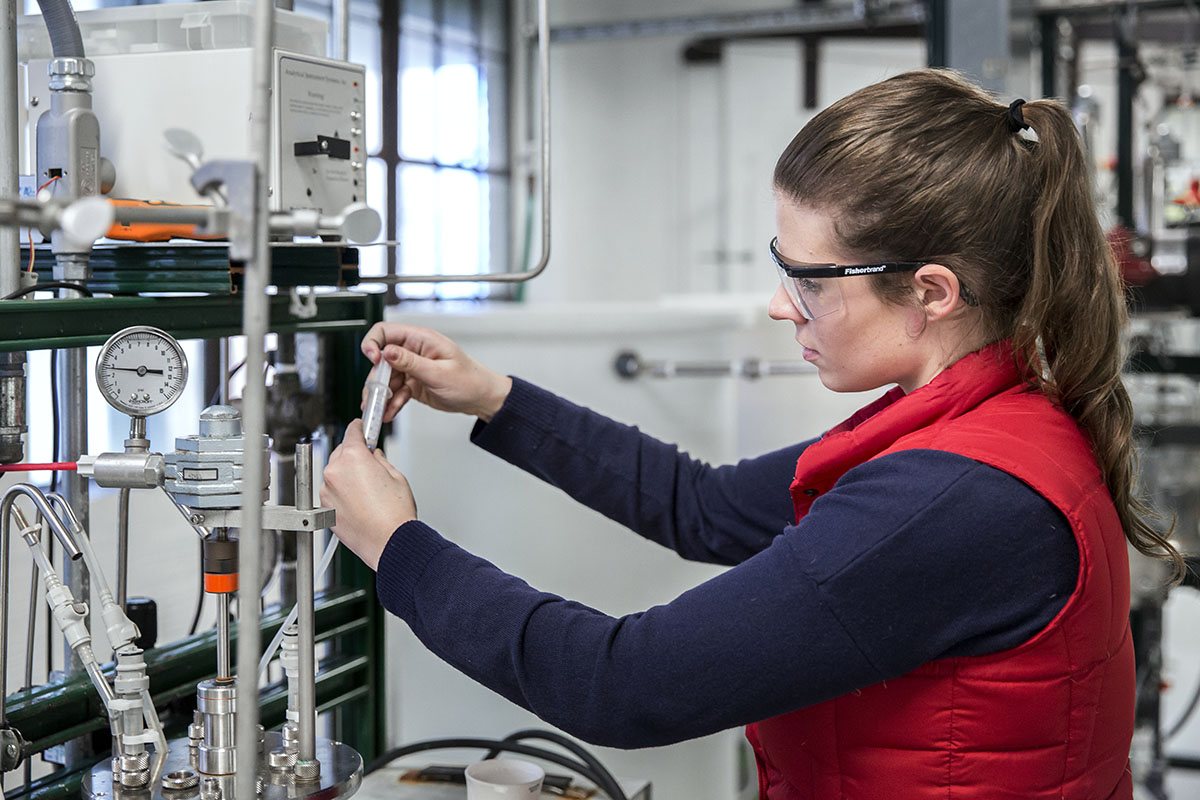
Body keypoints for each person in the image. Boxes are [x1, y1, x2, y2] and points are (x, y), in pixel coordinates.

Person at [320, 68, 1183, 800]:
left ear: (932, 291)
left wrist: (399, 548)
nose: (780, 304)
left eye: (806, 279)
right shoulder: (985, 415)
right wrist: (492, 396)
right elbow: (703, 505)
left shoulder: (955, 496)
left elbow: (627, 684)